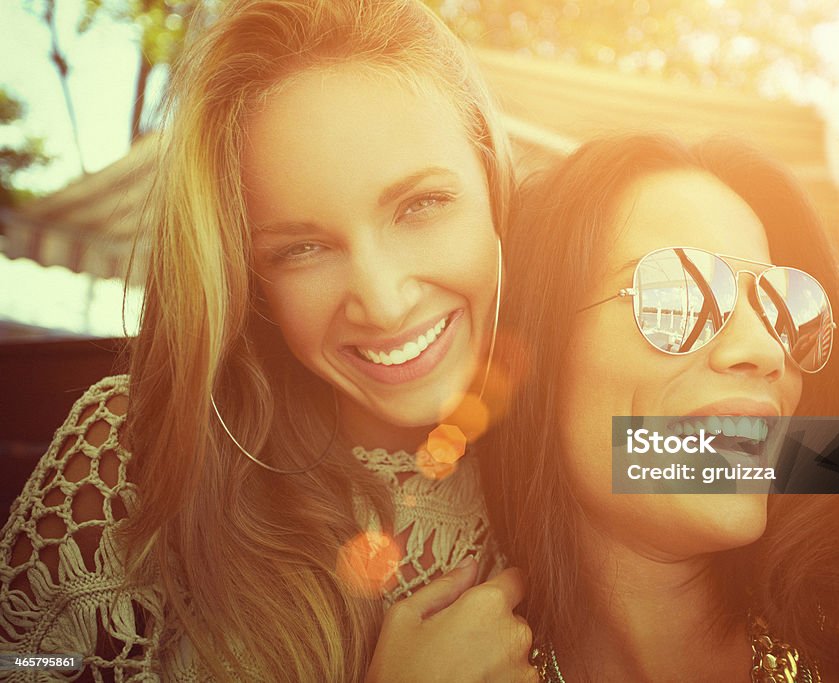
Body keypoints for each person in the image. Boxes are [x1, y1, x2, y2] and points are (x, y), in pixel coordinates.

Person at [0, 1, 535, 681]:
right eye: (304, 248)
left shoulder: (584, 426)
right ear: (252, 283)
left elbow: (716, 457)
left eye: (420, 205)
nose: (382, 298)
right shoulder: (135, 451)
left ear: (495, 184)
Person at [480, 133, 839, 681]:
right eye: (675, 294)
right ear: (538, 346)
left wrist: (808, 458)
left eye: (783, 307)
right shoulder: (435, 662)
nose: (767, 351)